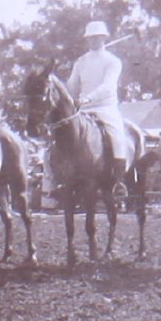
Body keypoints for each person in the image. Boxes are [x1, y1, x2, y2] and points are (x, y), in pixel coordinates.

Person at [66, 20, 128, 197]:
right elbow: (72, 86)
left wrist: (88, 98)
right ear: (87, 39)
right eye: (91, 38)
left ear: (104, 38)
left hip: (105, 107)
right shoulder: (80, 62)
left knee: (117, 138)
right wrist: (69, 96)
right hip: (82, 109)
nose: (94, 40)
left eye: (97, 37)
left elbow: (108, 86)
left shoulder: (113, 61)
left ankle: (119, 182)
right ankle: (54, 183)